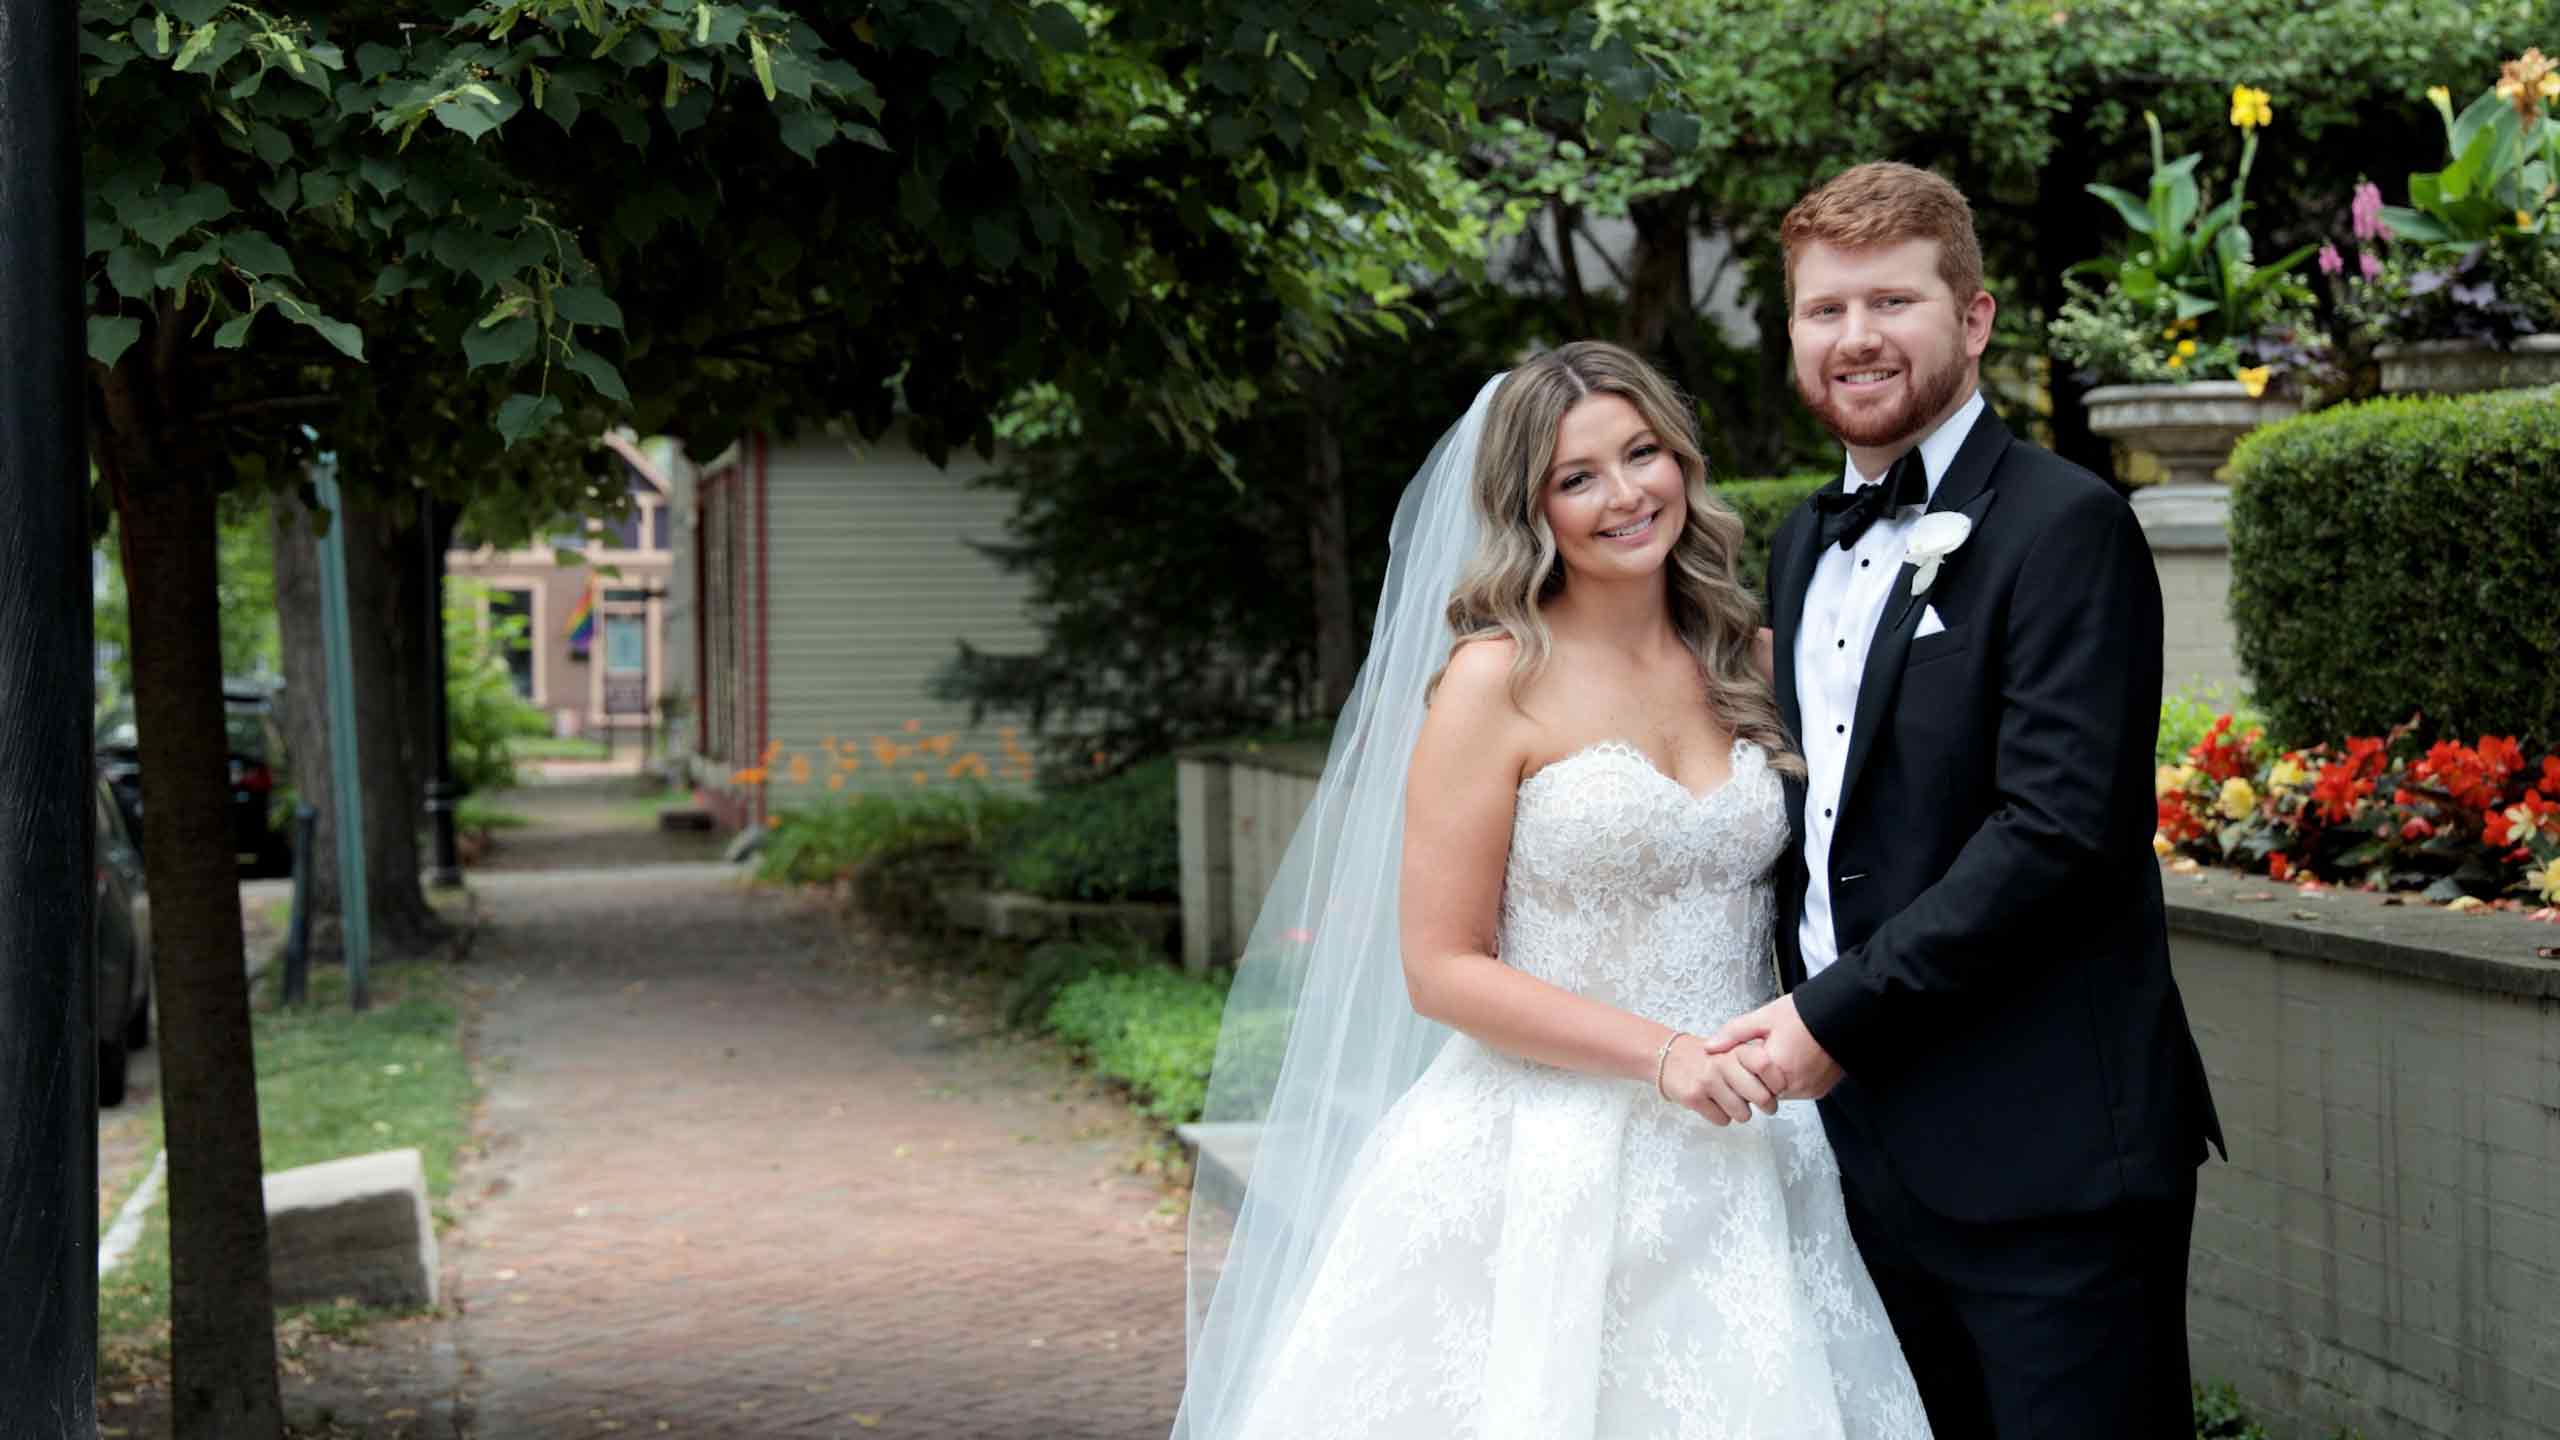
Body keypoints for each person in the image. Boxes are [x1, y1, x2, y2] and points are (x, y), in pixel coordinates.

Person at [1170, 341, 1930, 1440]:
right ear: (1532, 509)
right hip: (1539, 1158)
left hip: (1749, 1149)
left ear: (1681, 461)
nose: (1625, 495)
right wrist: (1659, 1055)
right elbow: (1440, 967)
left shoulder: (1749, 659)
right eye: (1578, 477)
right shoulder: (1495, 681)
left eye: (1641, 454)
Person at [1702, 161, 2226, 1438]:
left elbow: (2059, 837)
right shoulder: (1795, 540)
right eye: (1824, 311)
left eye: (1893, 302)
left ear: (1974, 318)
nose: (1857, 339)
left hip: (2046, 1158)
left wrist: (1835, 1016)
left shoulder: (2066, 526)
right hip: (1853, 1157)